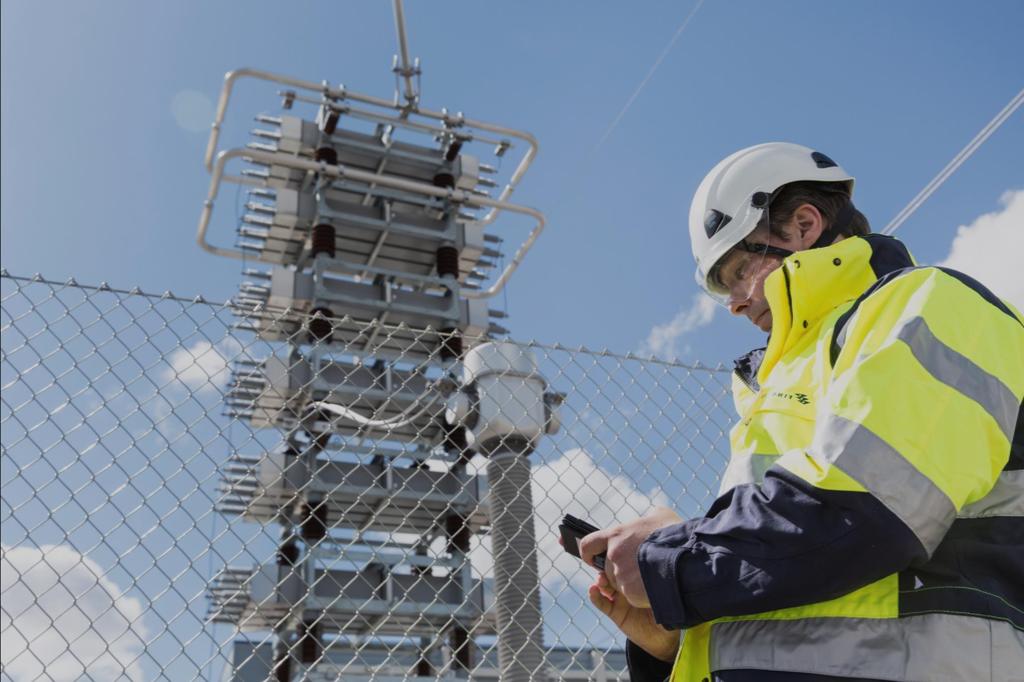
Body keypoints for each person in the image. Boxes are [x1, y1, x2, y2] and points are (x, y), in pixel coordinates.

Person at [579, 142, 1024, 681]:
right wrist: (676, 639)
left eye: (739, 270)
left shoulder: (930, 306)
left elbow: (859, 513)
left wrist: (668, 562)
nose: (736, 303)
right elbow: (788, 573)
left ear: (804, 225)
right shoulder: (783, 380)